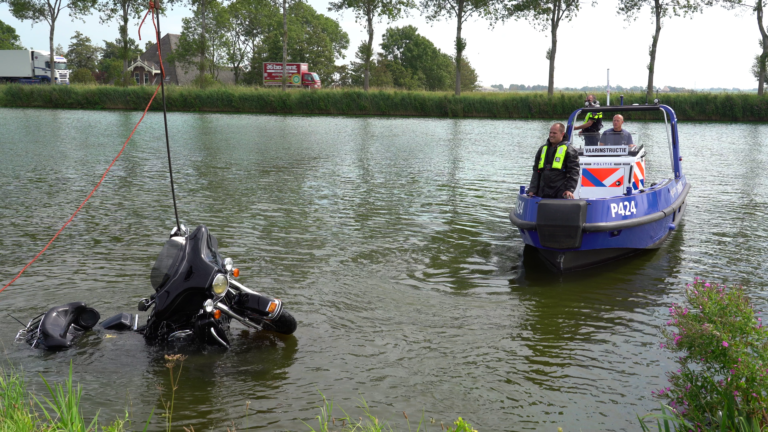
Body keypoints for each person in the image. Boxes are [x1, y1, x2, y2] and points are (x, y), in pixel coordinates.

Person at [527, 123, 580, 199]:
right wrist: (532, 189)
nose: (551, 135)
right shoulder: (542, 149)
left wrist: (569, 190)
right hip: (543, 191)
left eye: (554, 133)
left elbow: (574, 172)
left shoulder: (570, 150)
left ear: (562, 134)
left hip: (560, 191)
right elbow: (536, 171)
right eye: (550, 132)